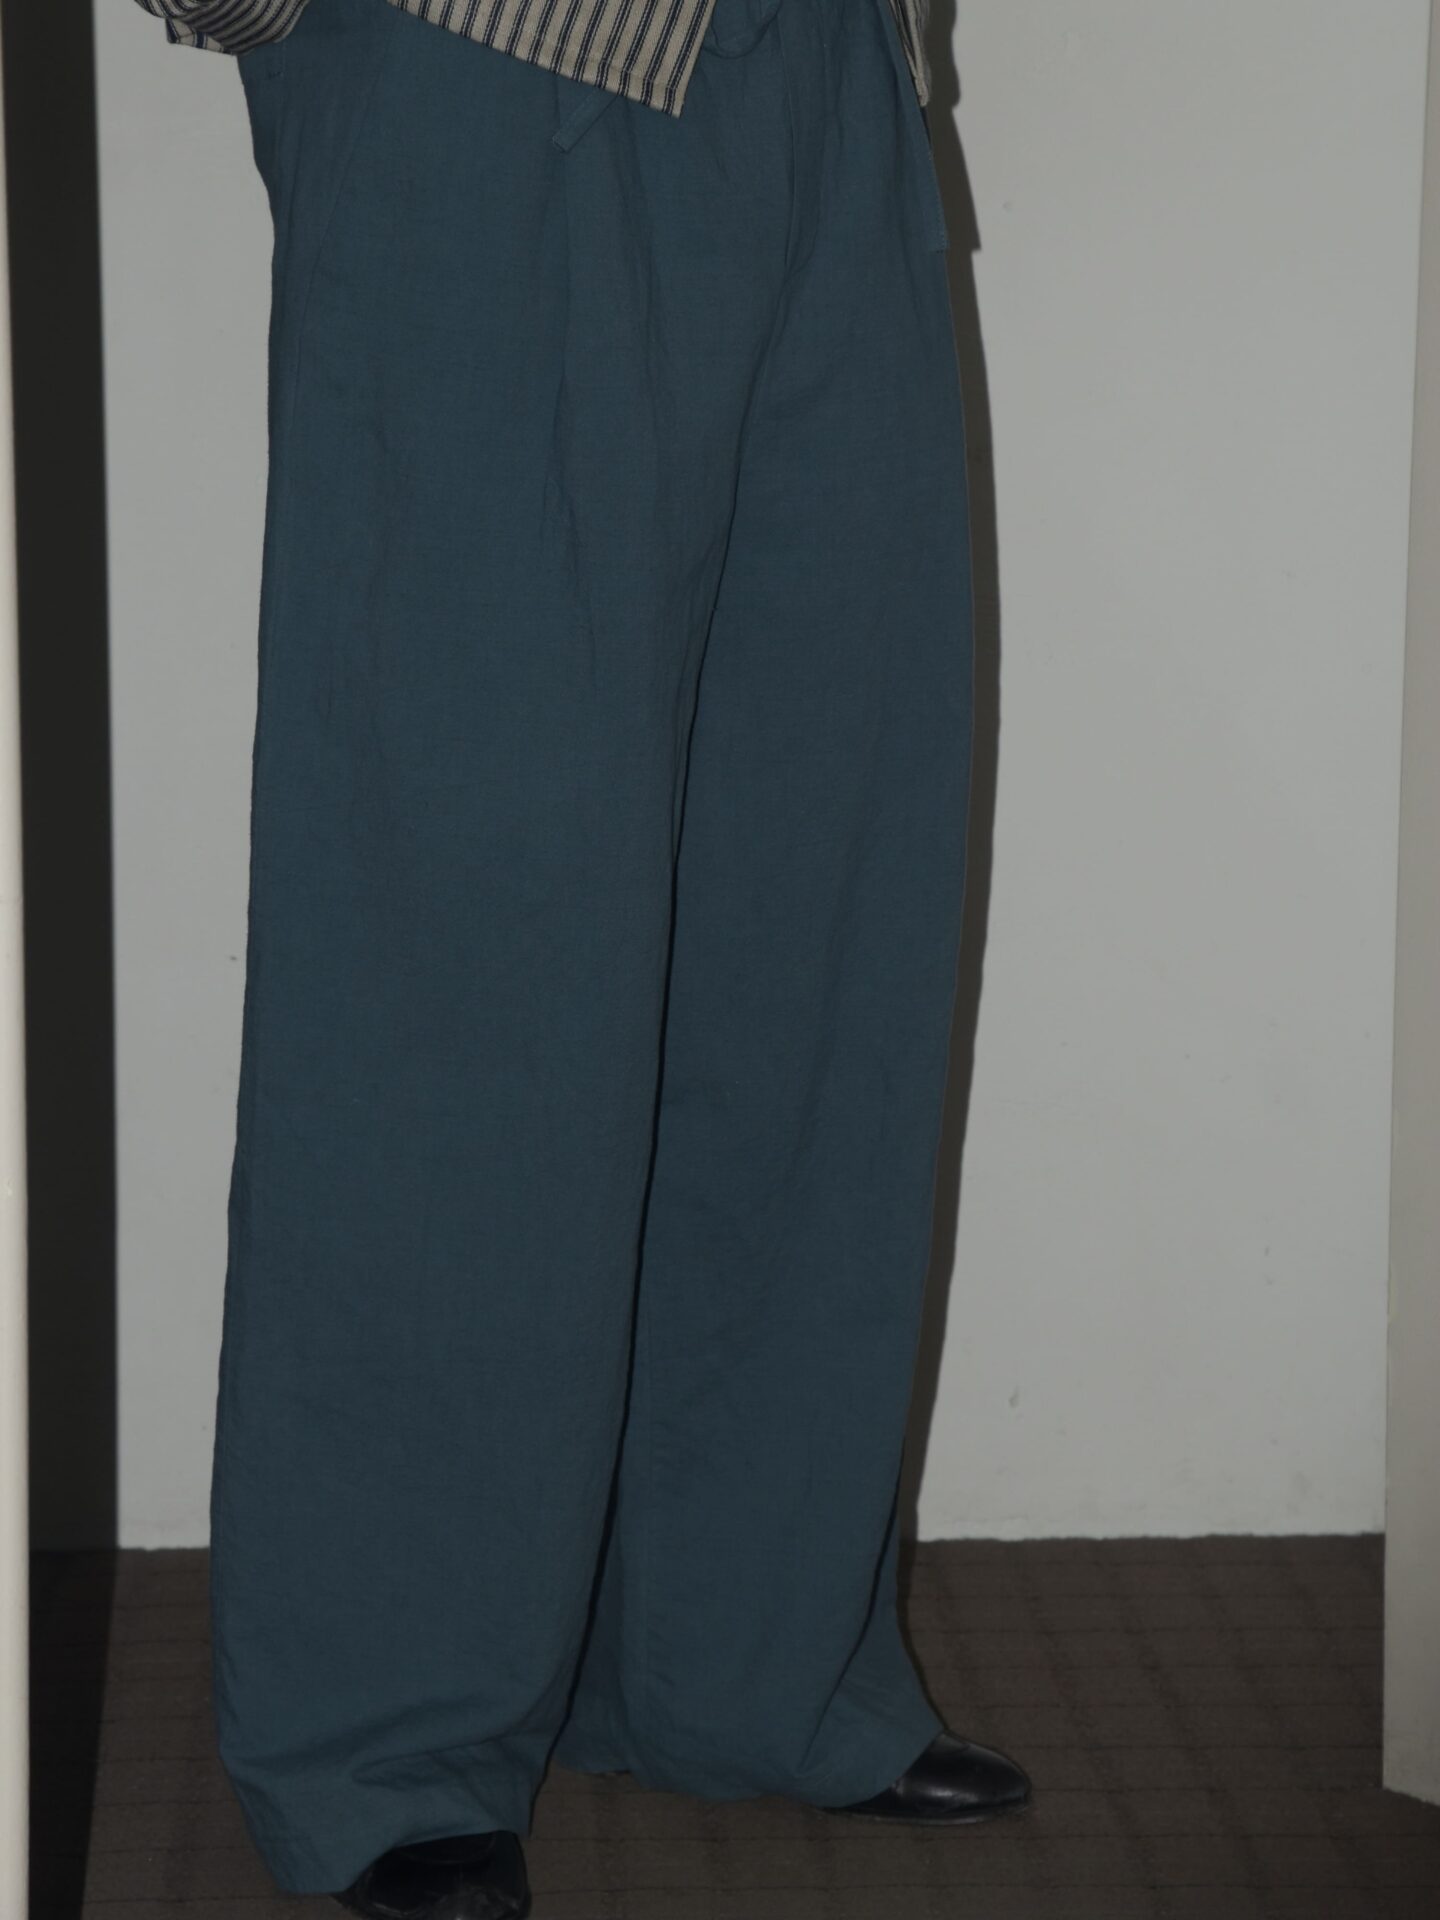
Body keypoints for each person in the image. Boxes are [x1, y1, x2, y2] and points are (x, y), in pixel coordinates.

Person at [132, 1, 1032, 1914]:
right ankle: (388, 1736)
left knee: (811, 934)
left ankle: (740, 1667)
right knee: (463, 962)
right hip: (489, 67)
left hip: (836, 84)